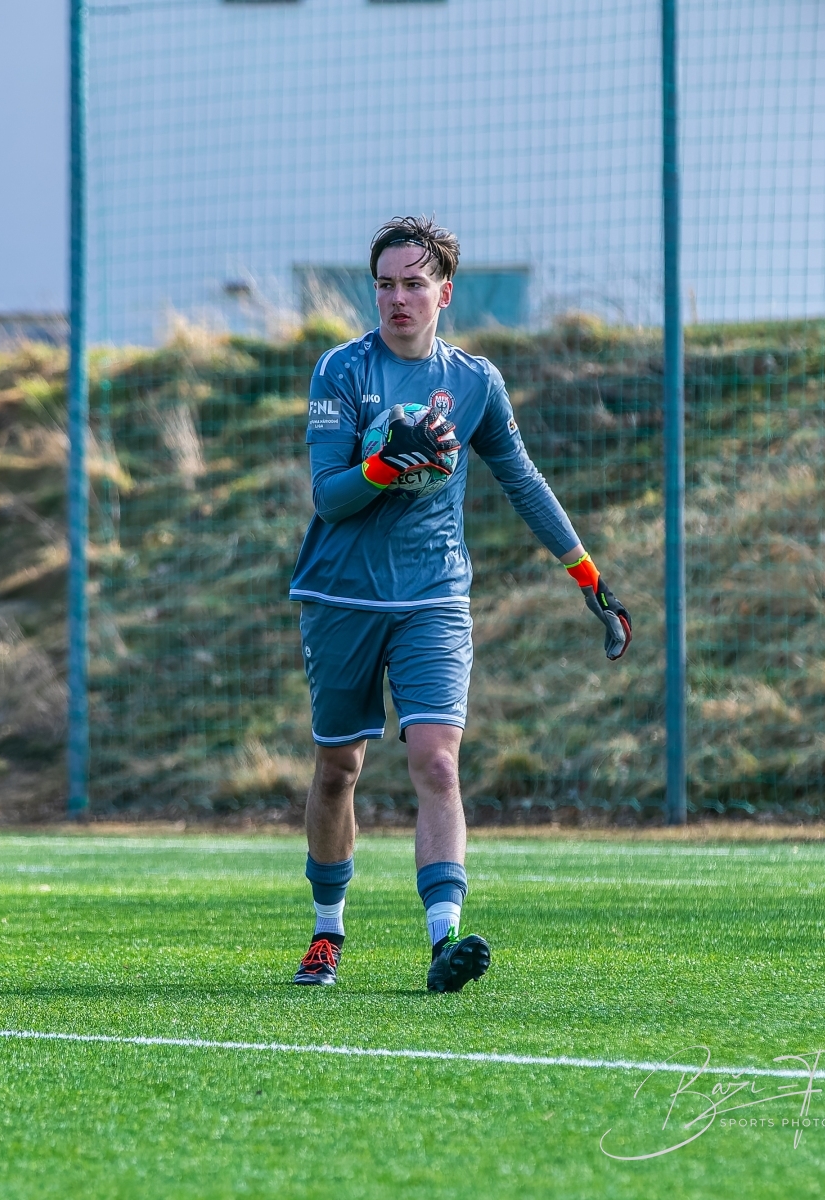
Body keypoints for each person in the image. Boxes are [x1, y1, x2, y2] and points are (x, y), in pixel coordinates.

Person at [288, 217, 630, 992]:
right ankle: (327, 932)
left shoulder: (475, 382)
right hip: (341, 595)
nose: (397, 298)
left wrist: (589, 579)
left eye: (414, 283)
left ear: (444, 293)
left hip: (435, 597)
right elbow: (330, 497)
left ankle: (444, 940)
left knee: (437, 762)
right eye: (385, 284)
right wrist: (384, 465)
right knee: (339, 768)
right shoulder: (341, 370)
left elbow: (523, 481)